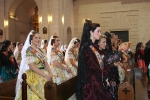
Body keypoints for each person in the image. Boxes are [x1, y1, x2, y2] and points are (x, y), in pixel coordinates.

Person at [76, 19, 114, 100]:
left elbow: (100, 64)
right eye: (98, 31)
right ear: (91, 32)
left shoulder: (94, 46)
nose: (100, 34)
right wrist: (104, 77)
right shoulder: (86, 47)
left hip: (97, 78)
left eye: (101, 31)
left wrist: (106, 75)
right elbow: (93, 66)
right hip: (91, 83)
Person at [15, 30, 52, 100]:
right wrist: (45, 75)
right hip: (35, 75)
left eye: (39, 38)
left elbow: (46, 63)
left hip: (45, 73)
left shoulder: (41, 50)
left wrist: (50, 73)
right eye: (36, 38)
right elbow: (32, 67)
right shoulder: (29, 50)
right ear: (31, 39)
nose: (38, 39)